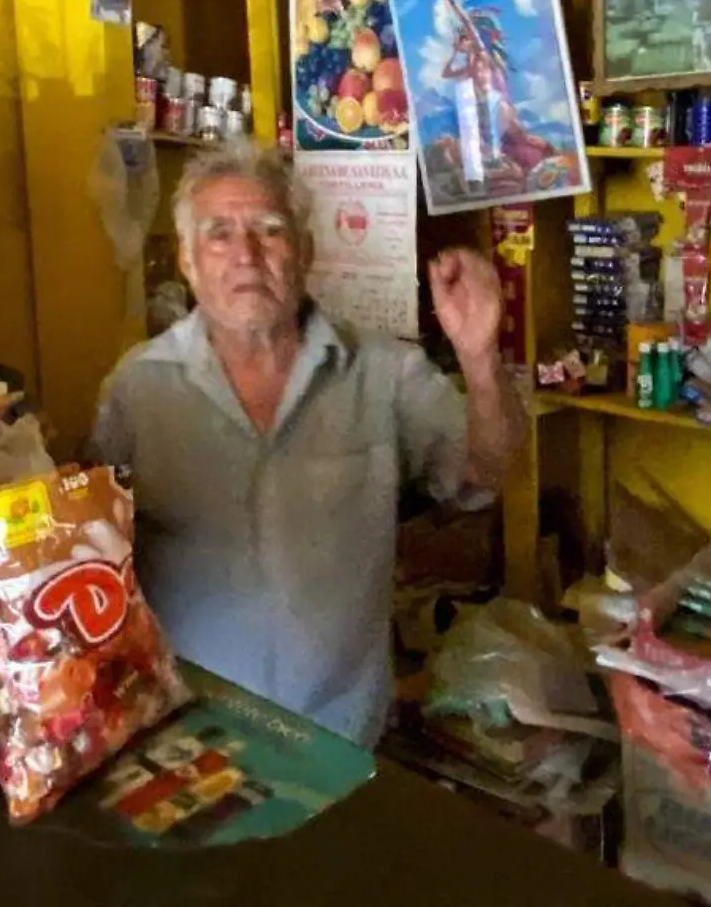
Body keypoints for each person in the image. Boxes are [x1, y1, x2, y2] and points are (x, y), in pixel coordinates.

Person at [90, 142, 525, 745]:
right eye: (219, 234)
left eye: (269, 230)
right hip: (185, 736)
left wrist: (480, 360)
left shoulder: (386, 373)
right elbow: (96, 564)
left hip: (340, 738)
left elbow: (482, 477)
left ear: (306, 251)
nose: (245, 254)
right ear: (188, 261)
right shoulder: (136, 390)